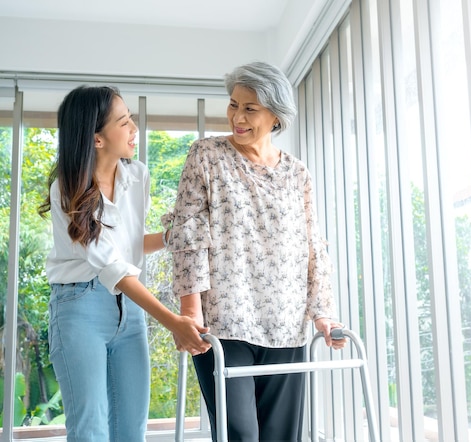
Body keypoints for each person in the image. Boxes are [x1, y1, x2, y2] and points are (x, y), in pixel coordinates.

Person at [163, 61, 346, 442]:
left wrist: (323, 313)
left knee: (281, 435)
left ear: (276, 114)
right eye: (233, 105)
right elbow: (188, 234)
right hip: (224, 320)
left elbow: (312, 244)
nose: (237, 117)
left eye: (250, 108)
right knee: (239, 433)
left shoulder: (298, 173)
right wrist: (190, 310)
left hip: (286, 322)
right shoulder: (206, 156)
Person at [38, 85, 211, 442]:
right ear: (97, 139)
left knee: (131, 429)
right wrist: (173, 322)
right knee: (90, 429)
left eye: (131, 119)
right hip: (78, 308)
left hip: (128, 312)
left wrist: (170, 236)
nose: (134, 129)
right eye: (124, 122)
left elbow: (128, 246)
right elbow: (110, 266)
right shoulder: (67, 190)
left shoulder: (138, 176)